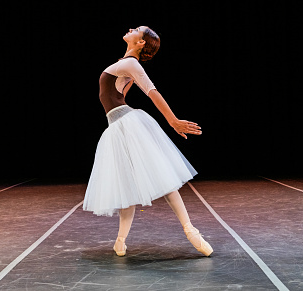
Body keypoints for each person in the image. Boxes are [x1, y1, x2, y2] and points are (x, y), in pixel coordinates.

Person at [83, 26, 213, 257]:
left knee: (162, 178)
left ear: (141, 42)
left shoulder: (132, 64)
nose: (131, 28)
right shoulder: (123, 64)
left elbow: (152, 92)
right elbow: (118, 93)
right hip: (117, 126)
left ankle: (191, 230)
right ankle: (120, 240)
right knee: (127, 186)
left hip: (127, 124)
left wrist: (173, 121)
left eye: (137, 30)